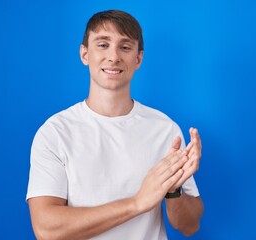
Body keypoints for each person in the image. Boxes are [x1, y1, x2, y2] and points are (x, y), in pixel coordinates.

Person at [26, 10, 204, 240]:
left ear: (138, 59)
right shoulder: (55, 133)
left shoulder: (166, 131)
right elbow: (46, 229)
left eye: (125, 47)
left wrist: (173, 190)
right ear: (84, 54)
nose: (114, 56)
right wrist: (136, 203)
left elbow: (190, 226)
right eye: (102, 44)